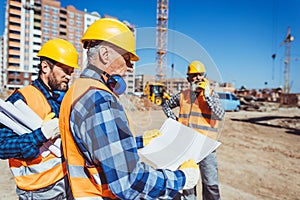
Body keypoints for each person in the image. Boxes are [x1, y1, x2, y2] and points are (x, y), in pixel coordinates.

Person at [59, 18, 200, 199]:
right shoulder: (100, 99)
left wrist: (139, 141)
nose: (130, 68)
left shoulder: (77, 89)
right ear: (105, 54)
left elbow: (97, 146)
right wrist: (182, 178)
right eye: (127, 59)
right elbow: (129, 182)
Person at [0, 38, 79, 199]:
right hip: (39, 190)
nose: (68, 76)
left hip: (67, 180)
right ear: (45, 67)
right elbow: (2, 146)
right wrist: (41, 134)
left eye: (71, 72)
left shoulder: (63, 99)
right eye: (64, 70)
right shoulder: (20, 100)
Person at [162, 60, 225, 200]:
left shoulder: (212, 95)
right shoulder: (182, 95)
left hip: (206, 146)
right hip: (186, 145)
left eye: (199, 75)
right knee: (189, 182)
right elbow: (166, 106)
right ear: (188, 78)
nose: (197, 78)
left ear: (204, 76)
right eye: (193, 75)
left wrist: (207, 95)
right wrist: (175, 121)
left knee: (210, 183)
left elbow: (220, 115)